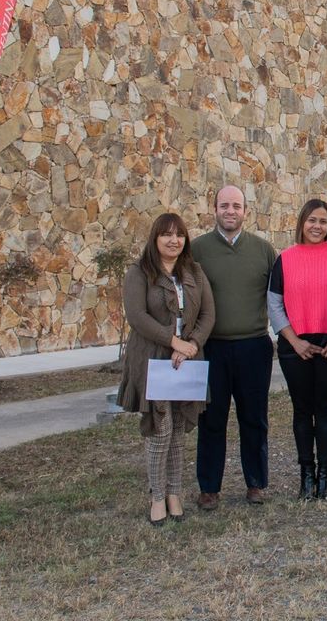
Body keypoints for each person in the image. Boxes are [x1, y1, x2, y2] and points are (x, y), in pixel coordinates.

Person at [118, 213, 215, 526]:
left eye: (179, 235)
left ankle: (175, 493)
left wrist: (192, 345)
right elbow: (137, 316)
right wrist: (174, 341)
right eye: (166, 235)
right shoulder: (139, 273)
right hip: (154, 358)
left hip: (187, 360)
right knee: (160, 431)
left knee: (178, 431)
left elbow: (208, 315)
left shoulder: (195, 272)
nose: (174, 241)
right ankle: (157, 496)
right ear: (155, 238)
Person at [191, 185, 278, 511]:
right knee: (211, 419)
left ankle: (256, 483)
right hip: (211, 347)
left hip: (253, 347)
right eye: (224, 205)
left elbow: (279, 296)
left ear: (245, 211)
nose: (230, 211)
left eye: (236, 206)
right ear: (214, 209)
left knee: (254, 418)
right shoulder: (197, 250)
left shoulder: (263, 250)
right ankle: (209, 487)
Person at [268, 199, 327, 502]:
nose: (317, 226)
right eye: (312, 220)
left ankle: (325, 475)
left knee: (324, 409)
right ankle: (306, 475)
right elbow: (274, 303)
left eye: (323, 221)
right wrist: (293, 340)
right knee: (301, 410)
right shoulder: (284, 258)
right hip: (295, 345)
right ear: (302, 222)